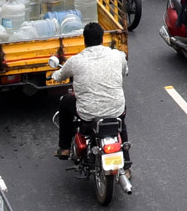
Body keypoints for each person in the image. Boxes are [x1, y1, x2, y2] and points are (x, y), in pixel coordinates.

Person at [50, 22, 131, 186]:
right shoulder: (117, 55)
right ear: (102, 39)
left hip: (88, 114)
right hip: (116, 110)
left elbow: (58, 77)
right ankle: (127, 165)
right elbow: (125, 71)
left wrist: (54, 73)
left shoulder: (75, 61)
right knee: (121, 123)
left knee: (65, 102)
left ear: (84, 41)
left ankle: (65, 148)